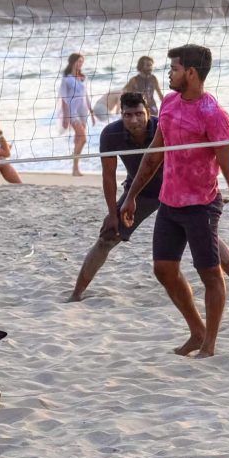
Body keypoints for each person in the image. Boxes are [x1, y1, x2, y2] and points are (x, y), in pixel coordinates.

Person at [117, 45, 229, 358]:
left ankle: (209, 344)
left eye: (176, 68)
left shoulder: (213, 114)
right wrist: (130, 197)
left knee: (210, 274)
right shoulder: (168, 103)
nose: (170, 73)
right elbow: (154, 154)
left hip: (201, 204)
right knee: (163, 269)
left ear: (191, 73)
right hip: (170, 203)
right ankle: (197, 331)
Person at [72, 92, 158, 301]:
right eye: (128, 115)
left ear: (149, 112)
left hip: (173, 187)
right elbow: (108, 177)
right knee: (106, 238)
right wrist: (112, 214)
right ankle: (76, 294)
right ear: (121, 115)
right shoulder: (111, 134)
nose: (134, 120)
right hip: (138, 192)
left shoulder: (162, 127)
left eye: (139, 114)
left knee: (199, 230)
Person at [58, 52, 94, 175]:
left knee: (78, 139)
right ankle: (75, 166)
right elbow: (63, 98)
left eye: (82, 62)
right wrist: (65, 117)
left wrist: (92, 112)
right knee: (83, 139)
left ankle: (75, 168)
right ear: (72, 62)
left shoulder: (84, 77)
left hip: (83, 110)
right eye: (78, 61)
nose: (80, 64)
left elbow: (86, 95)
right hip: (72, 111)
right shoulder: (67, 79)